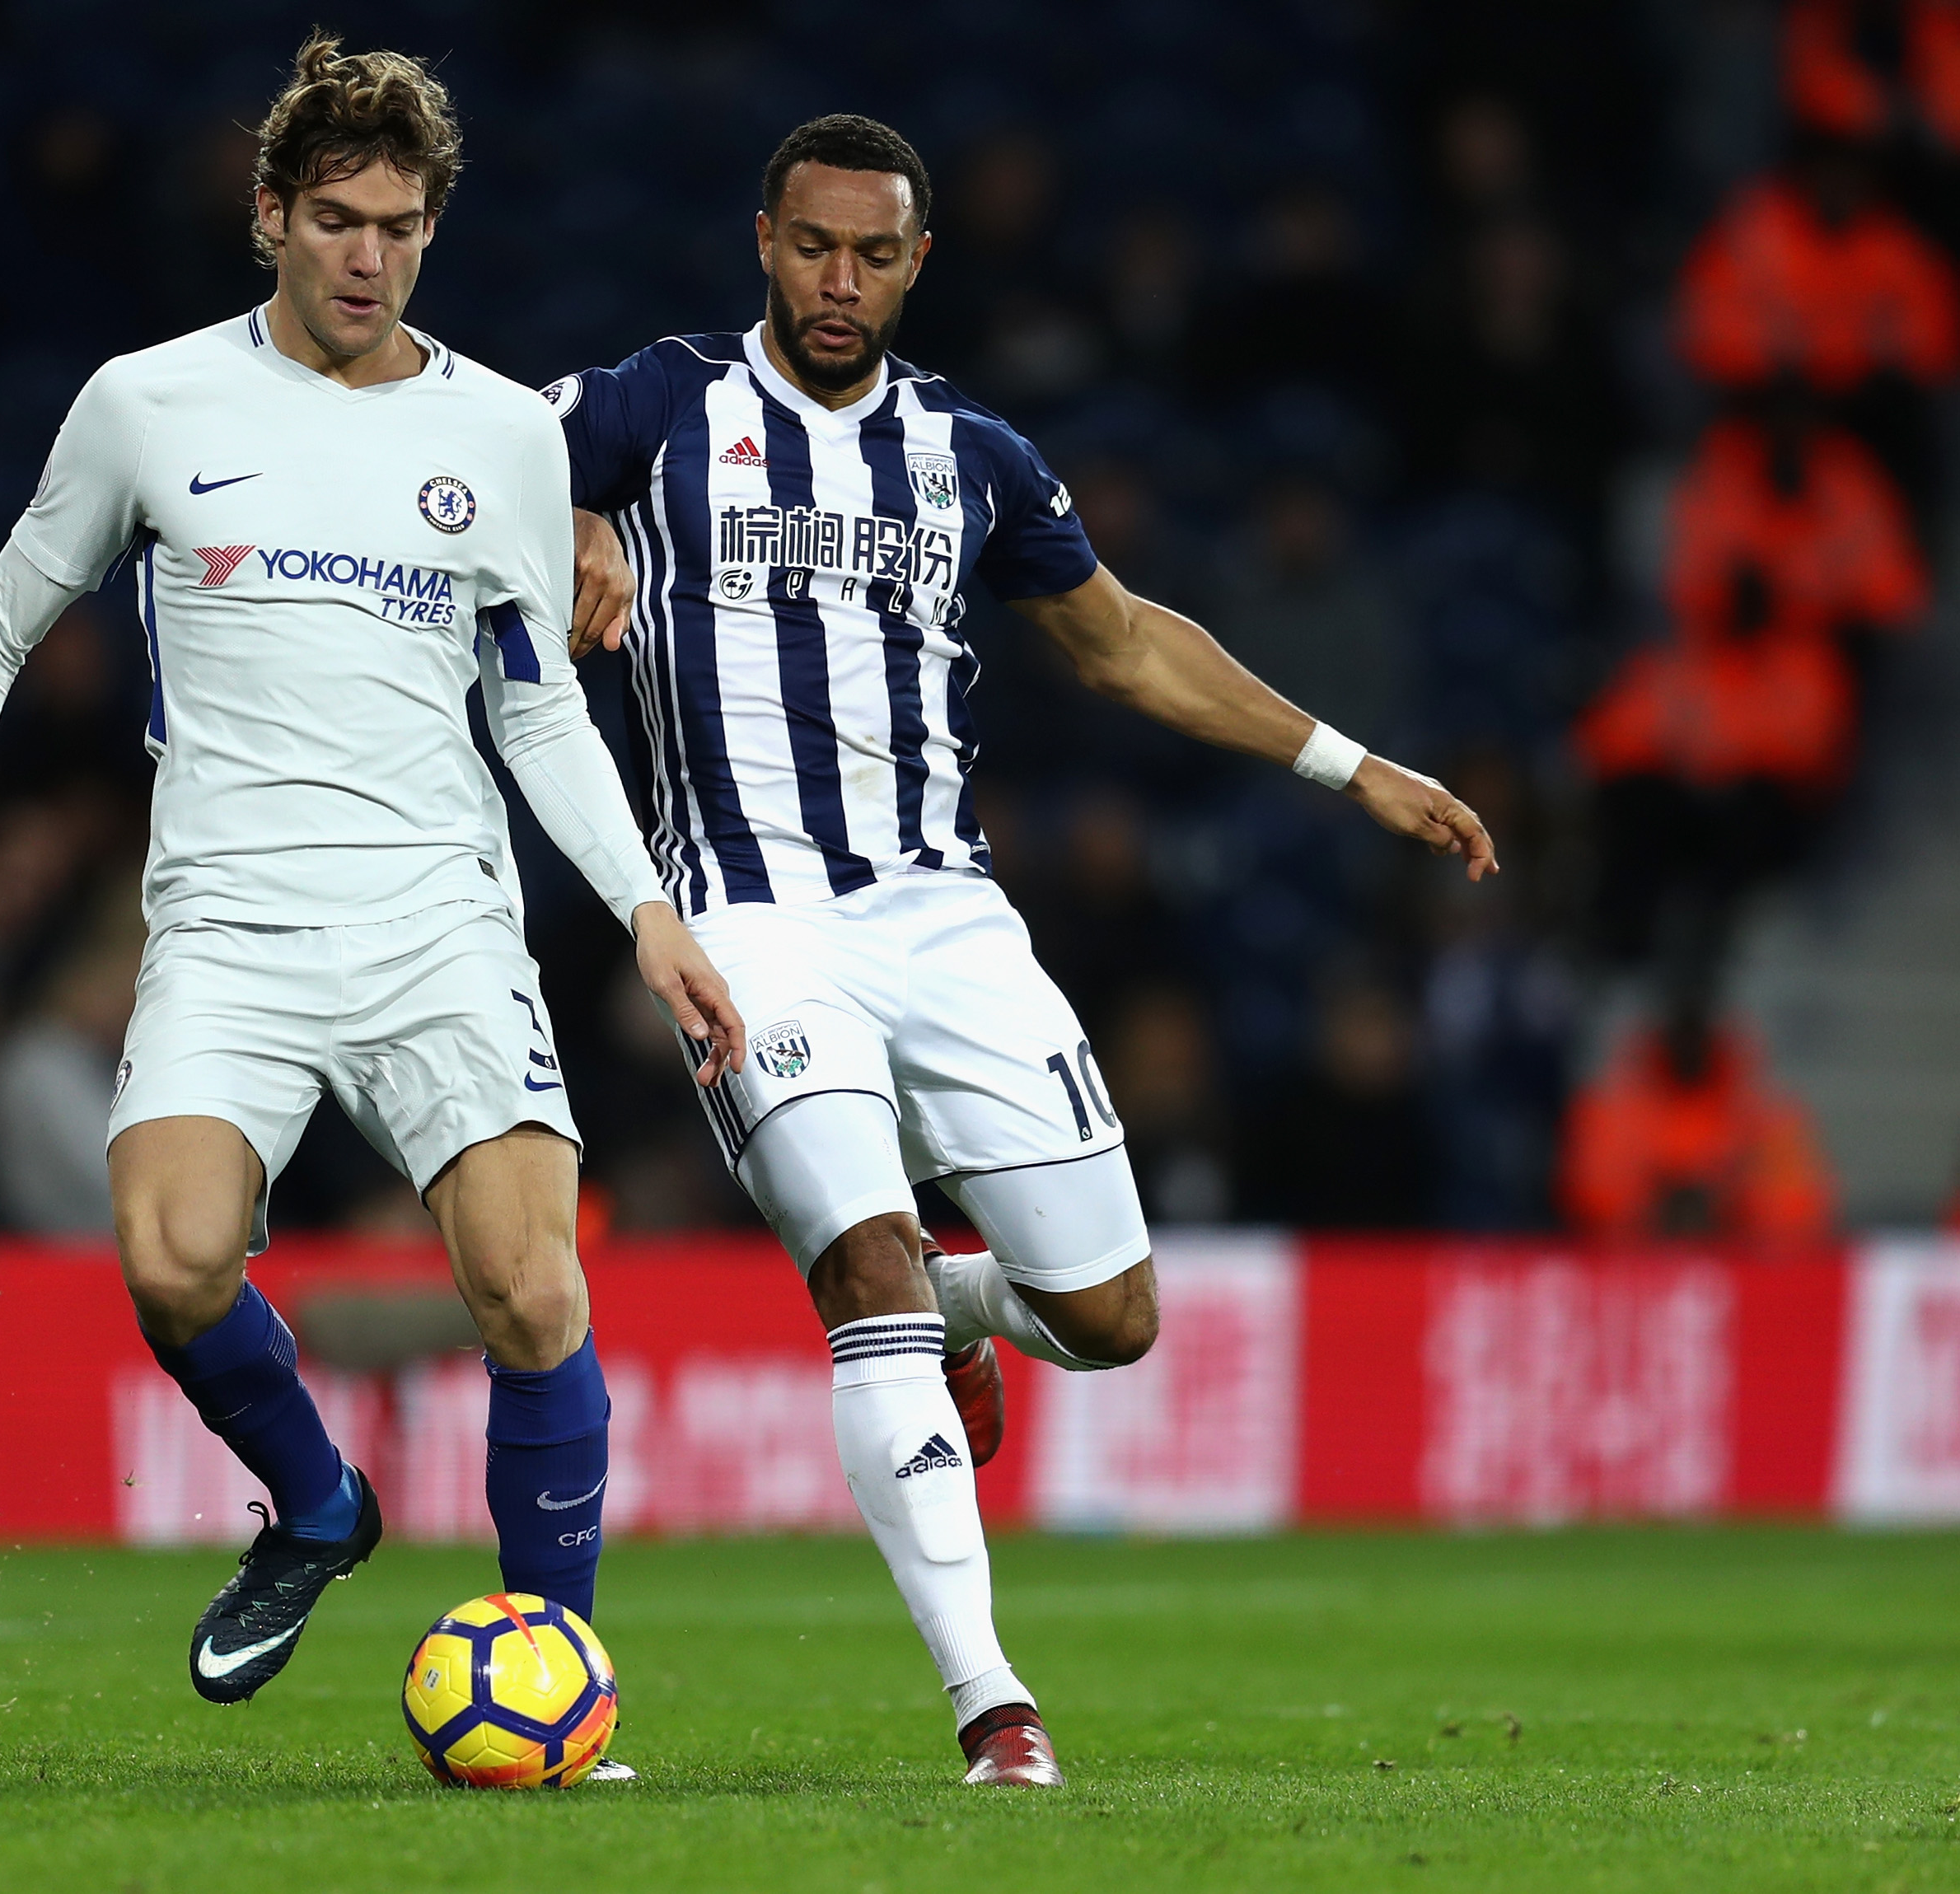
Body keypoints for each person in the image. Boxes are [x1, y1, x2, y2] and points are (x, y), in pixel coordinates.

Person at [0, 37, 743, 1751]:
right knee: (168, 1260)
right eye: (333, 218)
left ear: (432, 228)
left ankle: (559, 1683)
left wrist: (646, 911)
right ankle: (315, 1504)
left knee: (531, 1290)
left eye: (397, 223)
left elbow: (535, 702)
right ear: (266, 217)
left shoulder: (499, 433)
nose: (366, 255)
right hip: (223, 924)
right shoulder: (147, 404)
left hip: (437, 920)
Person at [554, 115, 1497, 1787]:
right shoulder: (650, 405)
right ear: (758, 241)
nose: (836, 282)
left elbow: (1124, 643)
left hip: (945, 918)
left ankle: (959, 1306)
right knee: (858, 1267)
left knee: (1112, 1314)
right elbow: (459, 455)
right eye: (808, 247)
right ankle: (994, 1705)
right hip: (749, 923)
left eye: (872, 253)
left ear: (919, 262)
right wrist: (554, 527)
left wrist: (1356, 768)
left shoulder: (970, 455)